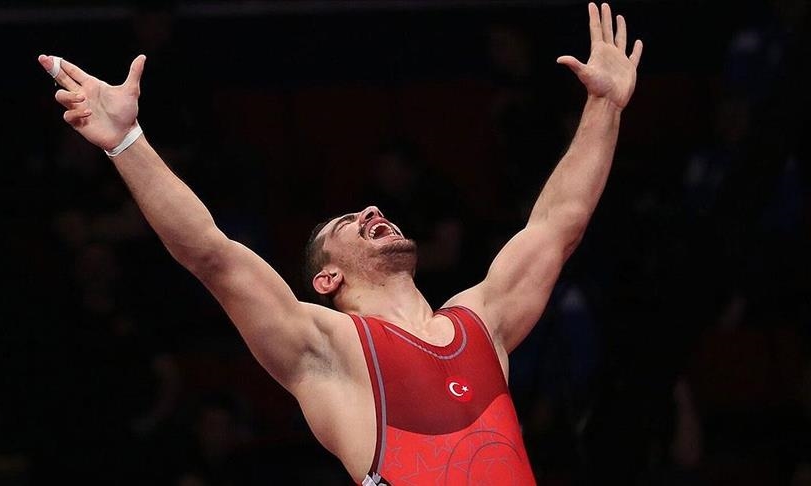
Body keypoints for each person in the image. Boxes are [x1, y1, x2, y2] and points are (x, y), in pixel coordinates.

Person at [38, 3, 642, 484]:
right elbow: (209, 252)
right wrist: (126, 142)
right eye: (348, 221)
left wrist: (605, 106)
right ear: (326, 280)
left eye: (370, 210)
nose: (373, 210)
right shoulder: (325, 348)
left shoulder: (481, 322)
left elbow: (557, 224)